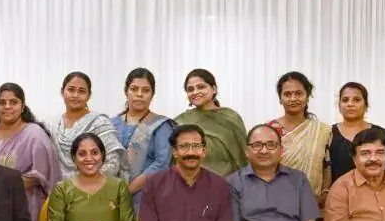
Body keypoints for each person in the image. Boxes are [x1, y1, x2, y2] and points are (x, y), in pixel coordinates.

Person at [0, 82, 59, 221]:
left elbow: (42, 175)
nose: (7, 106)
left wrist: (4, 184)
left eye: (13, 102)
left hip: (26, 205)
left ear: (22, 106)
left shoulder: (34, 134)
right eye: (2, 102)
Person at [110, 68, 175, 207]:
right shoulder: (111, 124)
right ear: (126, 91)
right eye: (134, 89)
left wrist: (128, 191)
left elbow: (161, 164)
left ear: (152, 95)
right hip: (111, 197)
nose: (139, 94)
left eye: (145, 90)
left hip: (146, 197)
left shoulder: (161, 125)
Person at [267, 71, 332, 203]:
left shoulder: (322, 131)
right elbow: (260, 167)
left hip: (313, 203)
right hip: (274, 202)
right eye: (287, 94)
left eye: (298, 93)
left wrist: (324, 194)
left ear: (307, 97)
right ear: (280, 98)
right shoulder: (268, 130)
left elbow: (327, 166)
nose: (293, 98)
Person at [50, 71, 129, 180]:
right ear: (62, 91)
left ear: (89, 95)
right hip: (59, 190)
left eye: (81, 91)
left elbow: (113, 162)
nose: (75, 95)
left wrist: (84, 184)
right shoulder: (53, 125)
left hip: (95, 190)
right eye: (71, 90)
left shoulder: (99, 122)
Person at [173, 68, 247, 177]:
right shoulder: (180, 121)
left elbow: (244, 154)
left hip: (226, 183)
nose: (195, 92)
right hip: (188, 183)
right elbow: (173, 159)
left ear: (214, 89)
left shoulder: (230, 117)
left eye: (201, 87)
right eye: (190, 89)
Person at [327, 82, 385, 183]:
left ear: (366, 105)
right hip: (338, 195)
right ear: (339, 106)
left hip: (376, 194)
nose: (350, 104)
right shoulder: (328, 134)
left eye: (356, 100)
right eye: (345, 100)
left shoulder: (382, 134)